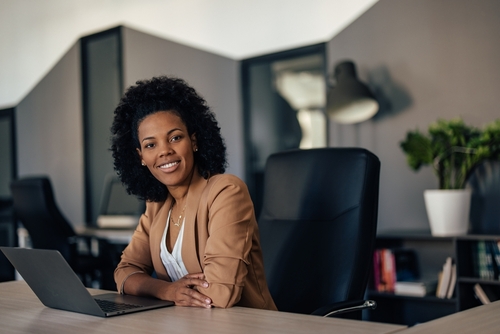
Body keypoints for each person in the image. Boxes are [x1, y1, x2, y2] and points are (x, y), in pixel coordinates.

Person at [111, 76, 277, 310]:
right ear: (140, 157)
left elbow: (220, 294)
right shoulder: (157, 204)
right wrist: (166, 290)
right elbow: (125, 272)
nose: (165, 151)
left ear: (194, 141)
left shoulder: (226, 192)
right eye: (151, 145)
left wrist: (155, 288)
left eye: (175, 138)